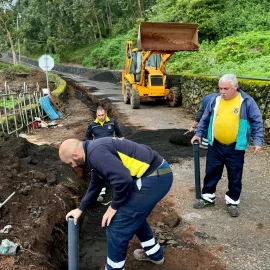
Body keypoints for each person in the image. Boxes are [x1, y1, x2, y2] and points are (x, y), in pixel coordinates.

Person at [59, 137, 173, 270]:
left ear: (75, 155)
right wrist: (81, 208)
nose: (72, 166)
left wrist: (114, 206)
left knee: (116, 225)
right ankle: (155, 254)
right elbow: (96, 183)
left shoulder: (96, 154)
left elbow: (123, 180)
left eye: (70, 163)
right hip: (154, 174)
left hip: (154, 177)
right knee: (133, 216)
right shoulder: (92, 151)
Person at [191, 74, 263, 217]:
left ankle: (232, 201)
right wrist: (198, 133)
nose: (222, 92)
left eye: (226, 88)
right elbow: (205, 119)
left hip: (235, 147)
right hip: (215, 145)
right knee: (211, 171)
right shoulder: (214, 100)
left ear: (235, 87)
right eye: (220, 88)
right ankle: (208, 198)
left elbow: (257, 121)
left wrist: (258, 141)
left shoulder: (246, 101)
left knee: (235, 175)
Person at [85, 106, 124, 202]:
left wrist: (121, 142)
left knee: (115, 167)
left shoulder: (112, 121)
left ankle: (118, 186)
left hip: (111, 149)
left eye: (102, 115)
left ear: (106, 114)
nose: (101, 117)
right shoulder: (92, 125)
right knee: (99, 169)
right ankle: (102, 189)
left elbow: (120, 134)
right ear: (96, 115)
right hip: (98, 151)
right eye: (99, 115)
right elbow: (87, 137)